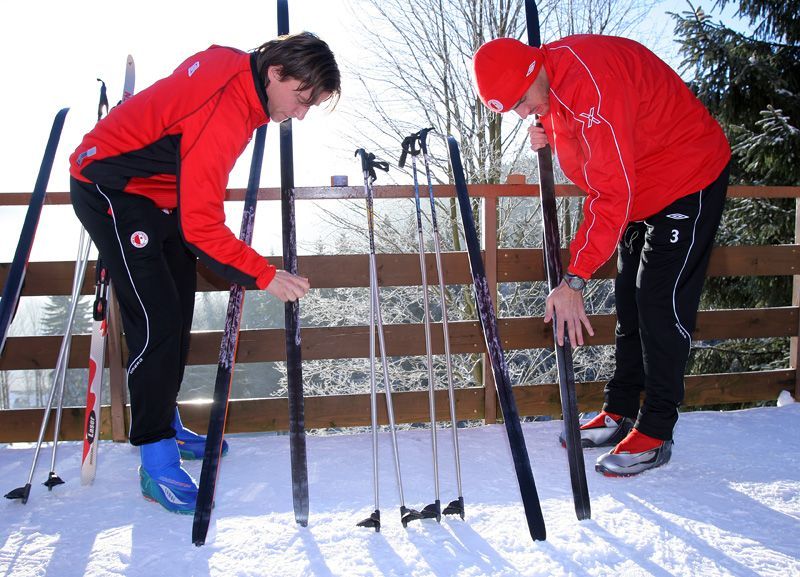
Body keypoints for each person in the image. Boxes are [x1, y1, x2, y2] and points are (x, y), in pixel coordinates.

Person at [69, 32, 340, 512]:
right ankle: (155, 461)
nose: (300, 115)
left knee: (178, 311)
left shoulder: (240, 78)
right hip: (108, 182)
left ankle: (166, 420)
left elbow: (192, 172)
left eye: (310, 106)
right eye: (301, 99)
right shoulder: (228, 106)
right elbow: (201, 228)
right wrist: (263, 275)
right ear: (275, 73)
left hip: (159, 194)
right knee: (156, 321)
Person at [472, 35, 730, 476]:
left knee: (659, 305)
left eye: (519, 102)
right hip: (642, 188)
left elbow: (610, 189)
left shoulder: (593, 83)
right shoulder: (552, 82)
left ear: (533, 72)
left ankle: (656, 430)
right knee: (630, 303)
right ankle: (621, 410)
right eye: (510, 109)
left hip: (687, 177)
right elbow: (585, 142)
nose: (520, 114)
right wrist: (549, 128)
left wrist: (574, 279)